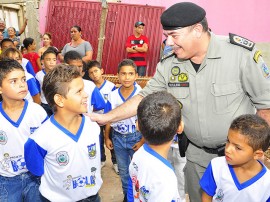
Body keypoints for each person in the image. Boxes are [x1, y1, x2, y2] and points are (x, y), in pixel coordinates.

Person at [88, 2, 270, 202]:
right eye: (167, 36)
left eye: (174, 36)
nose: (168, 43)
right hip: (196, 158)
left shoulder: (240, 55)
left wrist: (254, 152)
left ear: (197, 30)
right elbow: (143, 97)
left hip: (241, 161)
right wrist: (106, 117)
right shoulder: (170, 63)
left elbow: (265, 107)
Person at [24, 64, 102, 202]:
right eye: (79, 91)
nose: (86, 95)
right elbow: (36, 170)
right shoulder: (40, 138)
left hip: (93, 197)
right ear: (59, 100)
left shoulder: (92, 127)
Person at [0, 58, 47, 201]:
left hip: (36, 178)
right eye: (13, 81)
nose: (22, 85)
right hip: (6, 181)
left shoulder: (37, 112)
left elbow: (47, 145)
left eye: (23, 79)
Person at [127, 91, 184, 201]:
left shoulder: (138, 155)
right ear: (180, 127)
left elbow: (132, 189)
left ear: (137, 125)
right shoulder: (166, 178)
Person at [200, 114, 270, 201]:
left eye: (238, 148)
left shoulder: (267, 185)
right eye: (228, 141)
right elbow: (206, 196)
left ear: (257, 154)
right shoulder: (216, 166)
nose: (228, 149)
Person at [104, 59, 143, 202]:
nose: (127, 77)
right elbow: (109, 117)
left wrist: (142, 141)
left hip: (137, 138)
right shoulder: (113, 96)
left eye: (130, 74)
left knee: (139, 170)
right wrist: (107, 137)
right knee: (124, 171)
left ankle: (139, 197)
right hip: (118, 138)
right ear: (117, 76)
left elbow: (146, 120)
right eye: (123, 74)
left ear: (136, 76)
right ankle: (127, 197)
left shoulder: (142, 94)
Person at [87, 60, 119, 174]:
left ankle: (115, 162)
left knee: (111, 140)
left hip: (109, 118)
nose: (94, 74)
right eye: (91, 73)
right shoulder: (89, 87)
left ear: (101, 71)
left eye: (96, 71)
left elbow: (115, 103)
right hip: (95, 119)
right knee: (98, 140)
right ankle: (101, 159)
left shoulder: (111, 86)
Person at [35, 49, 57, 116]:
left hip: (57, 104)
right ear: (42, 61)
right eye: (48, 60)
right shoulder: (38, 75)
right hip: (44, 104)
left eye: (54, 60)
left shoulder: (59, 73)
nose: (51, 62)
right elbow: (37, 91)